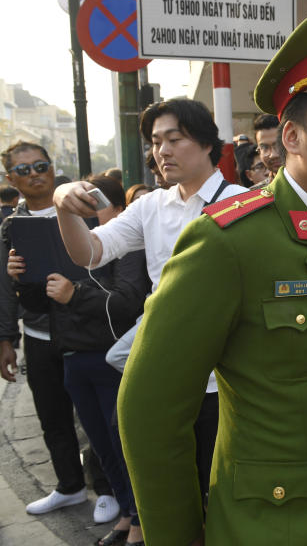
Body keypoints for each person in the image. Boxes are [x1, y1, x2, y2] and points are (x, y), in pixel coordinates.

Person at [95, 5, 307, 546]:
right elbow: (150, 404)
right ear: (290, 135)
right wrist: (178, 541)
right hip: (276, 528)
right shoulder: (227, 242)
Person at [53, 99, 245, 521]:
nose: (163, 150)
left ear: (208, 142)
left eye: (174, 138)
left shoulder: (243, 202)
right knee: (174, 488)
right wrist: (63, 202)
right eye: (156, 141)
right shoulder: (150, 206)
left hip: (229, 378)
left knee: (224, 491)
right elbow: (91, 251)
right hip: (167, 373)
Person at [7, 173, 151, 546]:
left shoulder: (130, 246)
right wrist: (23, 279)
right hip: (72, 355)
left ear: (121, 209)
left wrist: (75, 295)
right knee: (101, 446)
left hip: (113, 358)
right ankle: (125, 512)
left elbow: (129, 302)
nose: (84, 209)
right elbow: (41, 306)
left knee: (125, 444)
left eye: (95, 201)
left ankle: (142, 522)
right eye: (80, 201)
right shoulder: (71, 243)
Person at [0, 142, 94, 518]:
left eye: (40, 165)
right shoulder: (11, 226)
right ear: (11, 179)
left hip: (87, 331)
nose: (34, 173)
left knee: (96, 417)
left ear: (53, 167)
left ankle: (107, 489)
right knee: (53, 417)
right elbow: (5, 287)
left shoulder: (84, 207)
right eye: (23, 170)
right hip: (39, 334)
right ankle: (69, 486)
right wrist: (5, 337)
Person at [253, 113, 282, 179]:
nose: (273, 155)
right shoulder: (260, 189)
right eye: (265, 148)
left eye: (279, 145)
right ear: (259, 151)